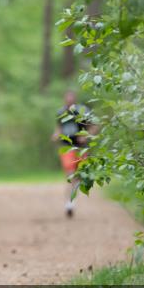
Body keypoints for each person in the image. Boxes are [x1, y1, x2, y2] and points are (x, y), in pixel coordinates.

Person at [51, 90, 95, 218]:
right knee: (70, 175)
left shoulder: (83, 111)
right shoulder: (61, 113)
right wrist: (55, 135)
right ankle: (69, 204)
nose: (69, 100)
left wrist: (86, 136)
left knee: (78, 176)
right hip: (67, 147)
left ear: (75, 99)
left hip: (81, 148)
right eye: (67, 98)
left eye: (71, 98)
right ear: (64, 99)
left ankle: (71, 201)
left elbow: (93, 126)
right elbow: (59, 128)